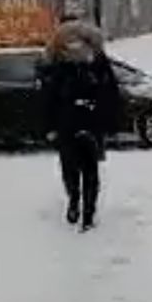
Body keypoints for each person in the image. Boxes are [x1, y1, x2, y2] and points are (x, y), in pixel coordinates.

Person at [39, 18, 121, 232]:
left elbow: (47, 96)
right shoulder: (96, 57)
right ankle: (88, 215)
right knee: (91, 170)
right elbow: (110, 91)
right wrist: (108, 121)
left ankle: (74, 200)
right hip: (91, 121)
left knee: (70, 167)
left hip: (66, 121)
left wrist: (49, 126)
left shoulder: (54, 58)